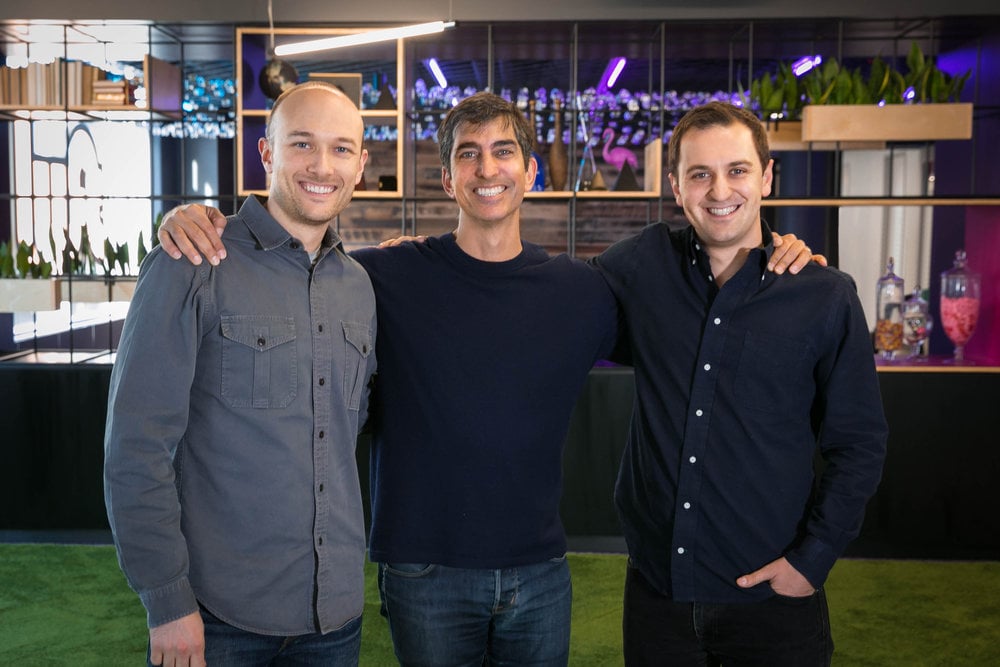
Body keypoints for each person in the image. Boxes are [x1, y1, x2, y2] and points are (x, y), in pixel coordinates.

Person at [155, 92, 817, 666]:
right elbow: (294, 264)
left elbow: (699, 309)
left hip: (539, 572)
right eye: (468, 154)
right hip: (423, 571)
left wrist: (776, 254)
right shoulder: (381, 277)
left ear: (530, 171)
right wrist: (196, 218)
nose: (487, 167)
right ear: (447, 178)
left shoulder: (583, 292)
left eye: (503, 151)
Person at [591, 101, 888, 665]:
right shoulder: (640, 266)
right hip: (658, 599)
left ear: (767, 177)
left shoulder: (824, 295)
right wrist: (418, 259)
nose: (719, 189)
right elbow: (544, 297)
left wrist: (812, 562)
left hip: (775, 604)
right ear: (675, 186)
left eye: (737, 170)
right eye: (699, 174)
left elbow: (859, 442)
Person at [104, 81, 377, 667]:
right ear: (267, 152)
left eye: (341, 149)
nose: (322, 166)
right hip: (218, 617)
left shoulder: (359, 287)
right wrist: (167, 601)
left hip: (334, 615)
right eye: (302, 144)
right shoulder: (192, 260)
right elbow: (135, 449)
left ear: (361, 164)